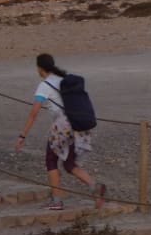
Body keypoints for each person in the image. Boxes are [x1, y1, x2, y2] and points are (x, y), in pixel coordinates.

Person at [14, 53, 106, 210]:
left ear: (39, 68)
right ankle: (94, 187)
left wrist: (22, 135)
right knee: (69, 164)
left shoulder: (44, 85)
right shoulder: (62, 79)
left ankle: (56, 201)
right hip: (77, 125)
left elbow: (33, 112)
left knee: (51, 160)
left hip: (62, 126)